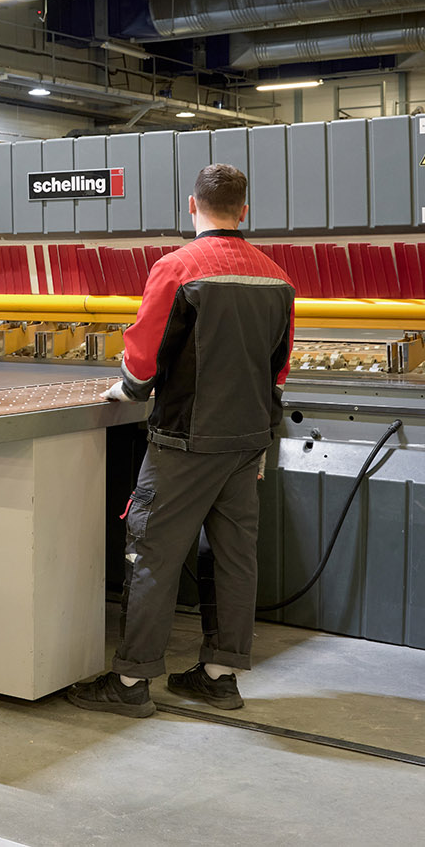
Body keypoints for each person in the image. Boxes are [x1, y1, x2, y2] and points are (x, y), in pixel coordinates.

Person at [68, 163, 295, 716]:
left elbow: (144, 356)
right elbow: (280, 367)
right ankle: (219, 676)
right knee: (235, 557)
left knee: (151, 553)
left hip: (186, 440)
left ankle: (130, 682)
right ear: (244, 210)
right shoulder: (277, 278)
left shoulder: (178, 268)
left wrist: (127, 389)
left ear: (192, 206)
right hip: (248, 439)